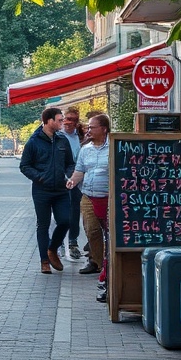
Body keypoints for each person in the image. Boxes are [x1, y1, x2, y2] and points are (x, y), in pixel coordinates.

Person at [19, 106, 75, 274]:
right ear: (49, 121)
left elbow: (70, 162)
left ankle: (52, 249)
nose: (62, 122)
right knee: (42, 225)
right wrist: (40, 177)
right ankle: (44, 260)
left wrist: (70, 176)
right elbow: (24, 166)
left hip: (61, 190)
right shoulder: (34, 142)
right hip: (41, 190)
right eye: (59, 120)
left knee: (65, 221)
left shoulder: (62, 140)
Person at [68, 112, 111, 301]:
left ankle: (110, 264)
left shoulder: (113, 147)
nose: (88, 130)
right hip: (88, 196)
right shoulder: (86, 149)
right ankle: (96, 262)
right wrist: (72, 181)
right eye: (88, 127)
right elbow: (80, 170)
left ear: (104, 129)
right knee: (92, 231)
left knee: (110, 233)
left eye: (92, 127)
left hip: (109, 197)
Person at [60, 107, 87, 261]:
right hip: (61, 177)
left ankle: (73, 242)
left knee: (74, 210)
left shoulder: (81, 136)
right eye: (67, 118)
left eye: (73, 119)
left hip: (78, 178)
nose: (69, 122)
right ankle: (60, 242)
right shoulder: (57, 135)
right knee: (61, 212)